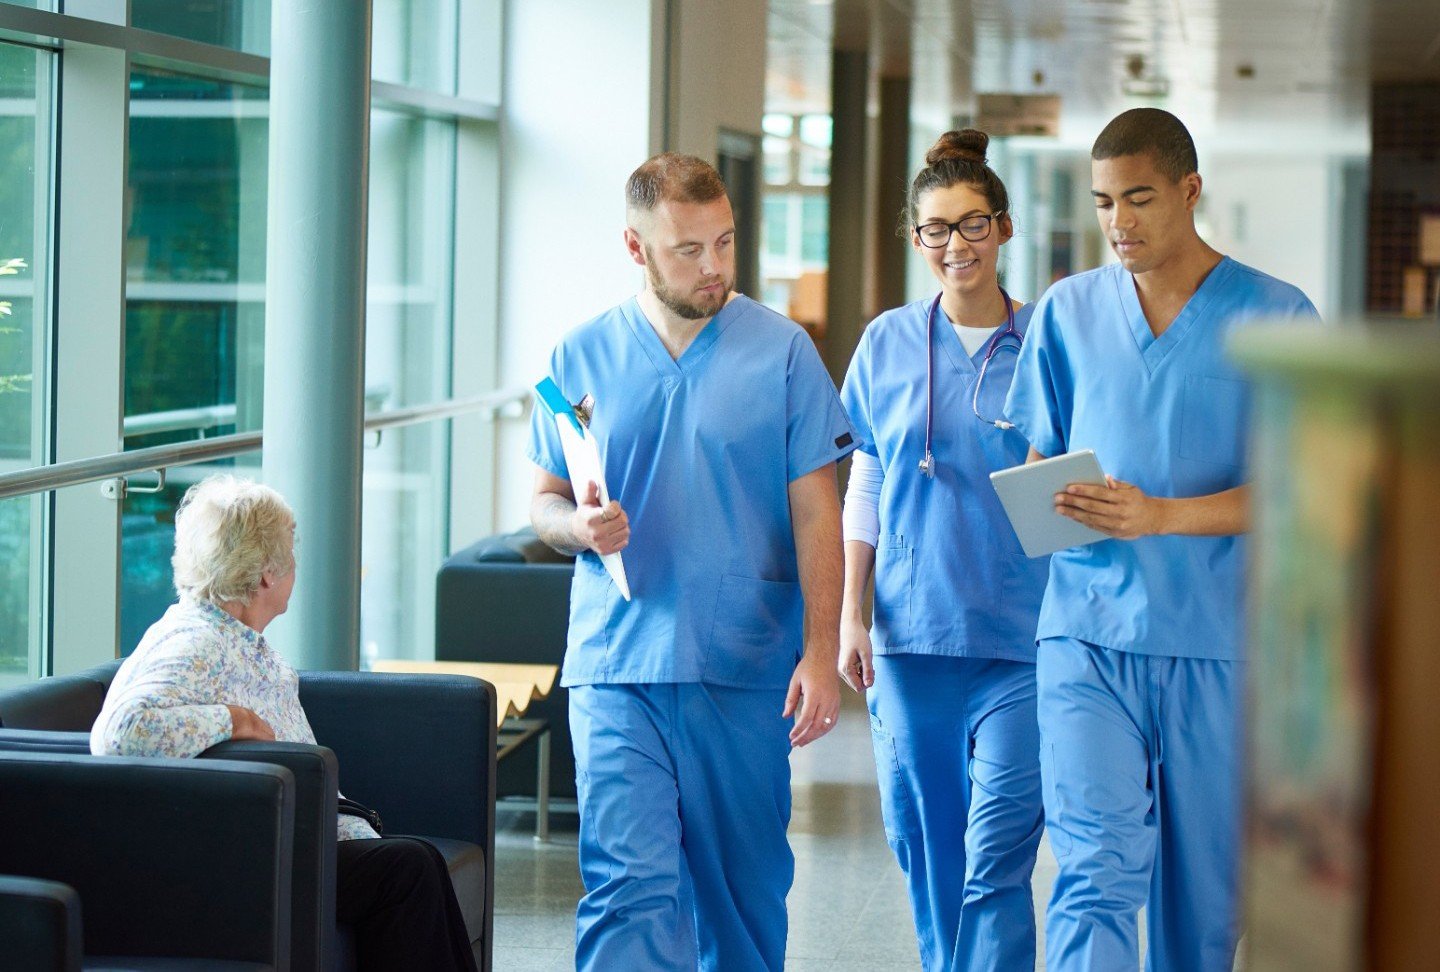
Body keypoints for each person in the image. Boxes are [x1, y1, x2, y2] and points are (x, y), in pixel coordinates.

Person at [1004, 108, 1320, 971]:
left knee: (1202, 905)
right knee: (1094, 870)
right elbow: (1042, 458)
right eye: (1104, 202)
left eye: (1138, 199)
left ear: (1189, 191)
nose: (1119, 223)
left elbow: (1300, 489)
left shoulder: (1278, 315)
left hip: (1218, 644)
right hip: (1086, 634)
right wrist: (1043, 504)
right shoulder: (1068, 311)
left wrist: (1160, 516)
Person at [527, 152, 854, 971]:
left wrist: (820, 652)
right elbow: (543, 502)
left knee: (740, 897)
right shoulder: (580, 355)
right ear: (636, 249)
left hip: (742, 661)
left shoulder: (782, 352)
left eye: (726, 243)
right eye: (689, 249)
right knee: (627, 884)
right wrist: (579, 529)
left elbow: (819, 511)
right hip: (617, 659)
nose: (714, 267)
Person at [91, 475, 476, 972]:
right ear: (267, 573)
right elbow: (119, 735)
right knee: (409, 869)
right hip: (256, 851)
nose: (297, 566)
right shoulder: (195, 642)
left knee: (416, 862)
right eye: (290, 553)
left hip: (299, 836)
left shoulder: (239, 638)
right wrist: (231, 719)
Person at [837, 129, 1047, 972]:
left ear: (1002, 228)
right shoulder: (886, 342)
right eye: (935, 229)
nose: (954, 245)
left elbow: (1069, 478)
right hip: (912, 636)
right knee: (926, 846)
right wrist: (852, 614)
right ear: (915, 237)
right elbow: (868, 479)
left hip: (1023, 638)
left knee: (999, 850)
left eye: (971, 225)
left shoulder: (1046, 341)